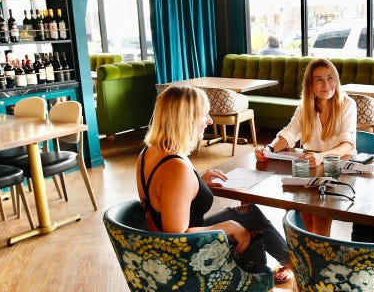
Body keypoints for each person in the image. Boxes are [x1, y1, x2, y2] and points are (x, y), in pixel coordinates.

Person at [136, 85, 293, 282]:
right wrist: (227, 227)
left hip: (161, 246)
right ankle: (294, 271)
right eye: (204, 115)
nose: (210, 121)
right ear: (187, 119)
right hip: (185, 258)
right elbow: (175, 237)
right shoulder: (176, 169)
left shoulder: (149, 152)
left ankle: (292, 264)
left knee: (250, 214)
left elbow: (163, 195)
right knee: (240, 222)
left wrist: (197, 184)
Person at [254, 57, 356, 236]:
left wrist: (321, 156)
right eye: (319, 79)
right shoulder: (304, 107)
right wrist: (268, 149)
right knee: (299, 207)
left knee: (320, 212)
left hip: (338, 166)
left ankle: (319, 252)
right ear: (310, 84)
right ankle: (310, 253)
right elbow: (289, 134)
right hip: (309, 166)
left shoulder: (347, 104)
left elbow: (347, 146)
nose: (326, 84)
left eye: (330, 78)